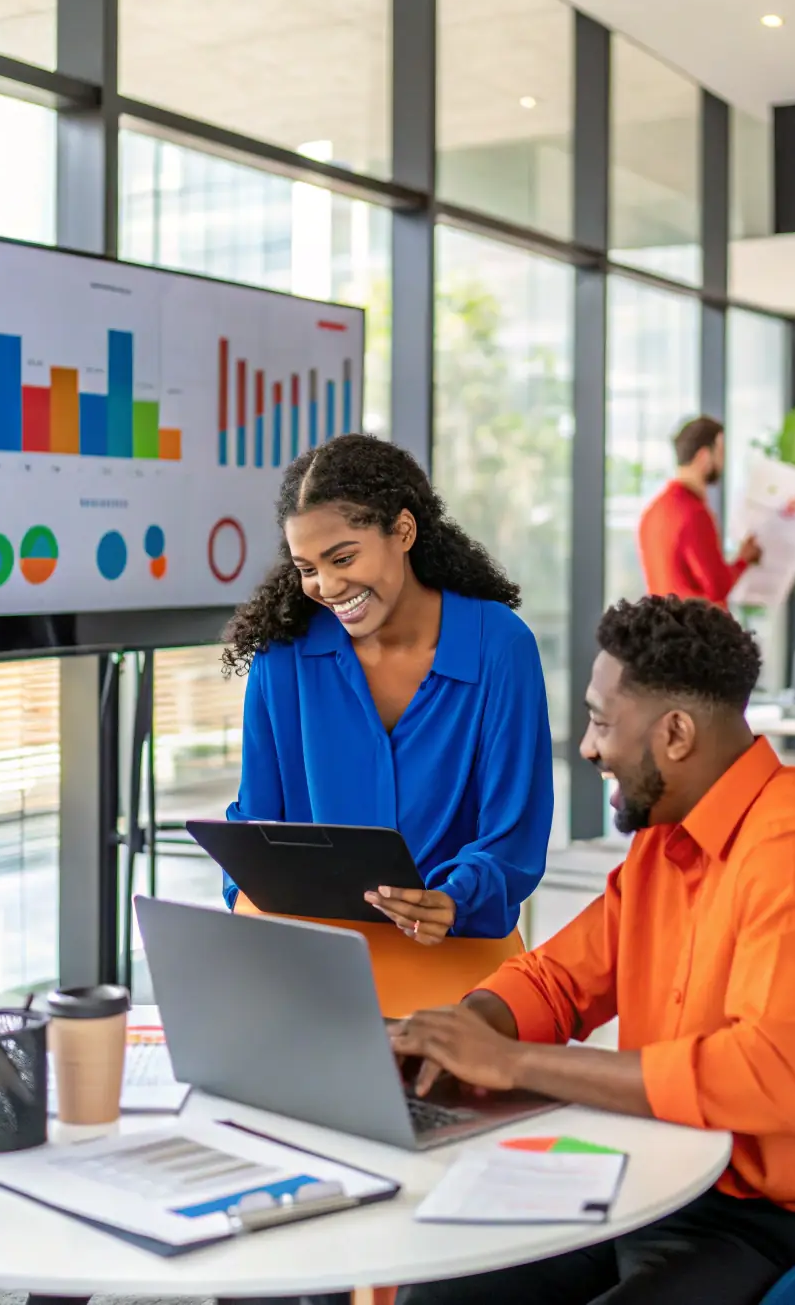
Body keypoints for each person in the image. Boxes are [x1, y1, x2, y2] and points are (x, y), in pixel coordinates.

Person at [391, 595, 795, 1305]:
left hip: (781, 1216)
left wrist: (515, 1063)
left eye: (602, 722)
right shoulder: (663, 841)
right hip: (662, 1168)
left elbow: (774, 1082)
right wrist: (466, 1028)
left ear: (674, 733)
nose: (586, 746)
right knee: (443, 1291)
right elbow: (558, 979)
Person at [221, 432, 554, 1015]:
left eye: (343, 557)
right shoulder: (282, 658)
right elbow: (257, 821)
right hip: (315, 964)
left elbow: (513, 835)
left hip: (458, 958)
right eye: (308, 567)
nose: (326, 588)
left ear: (402, 531)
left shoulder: (500, 647)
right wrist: (250, 895)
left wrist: (454, 898)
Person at [638, 415, 761, 607]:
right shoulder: (694, 513)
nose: (723, 463)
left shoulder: (653, 511)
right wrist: (744, 559)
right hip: (696, 631)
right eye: (720, 453)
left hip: (663, 629)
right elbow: (717, 587)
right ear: (704, 456)